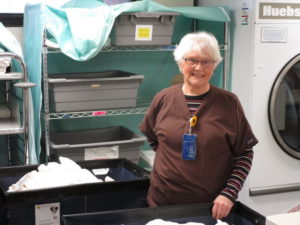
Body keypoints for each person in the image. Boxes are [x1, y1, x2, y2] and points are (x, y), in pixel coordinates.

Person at [139, 31, 258, 220]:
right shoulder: (163, 98)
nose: (199, 67)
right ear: (180, 63)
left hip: (210, 209)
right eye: (192, 60)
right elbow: (153, 138)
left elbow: (244, 153)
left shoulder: (229, 103)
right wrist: (173, 158)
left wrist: (229, 194)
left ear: (215, 65)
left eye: (207, 61)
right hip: (161, 204)